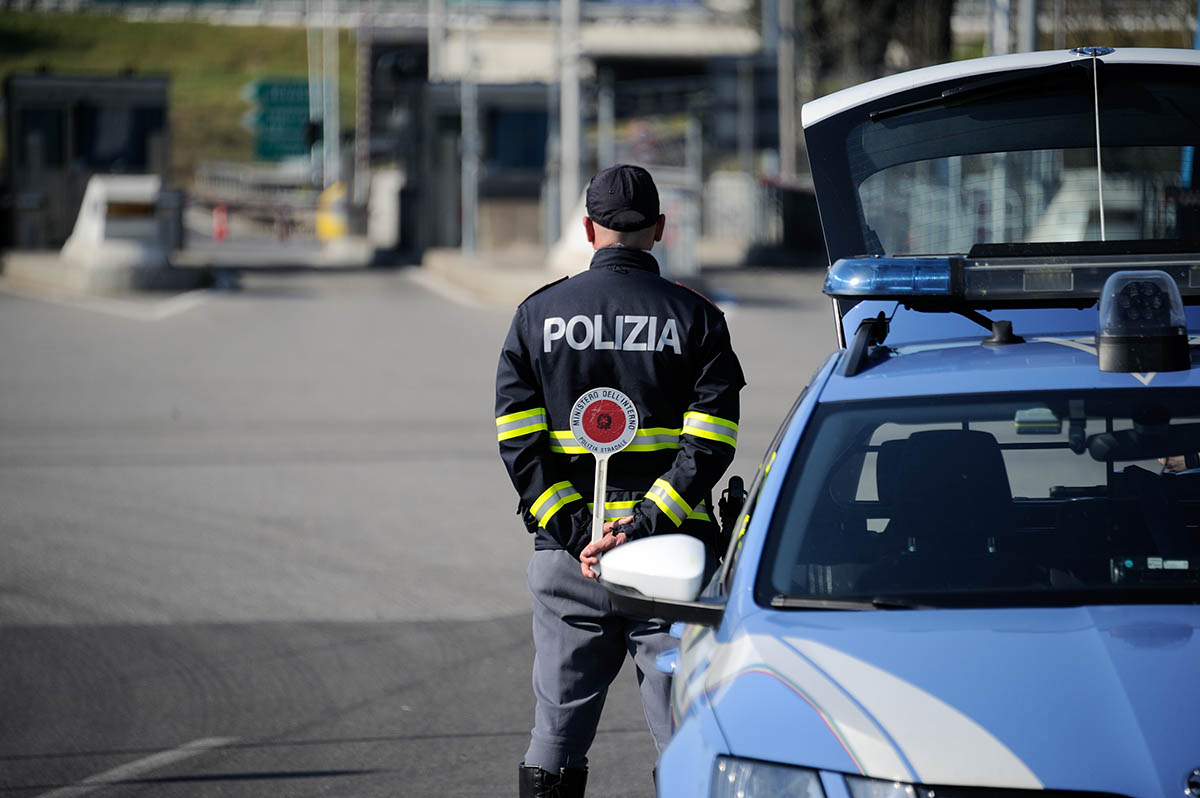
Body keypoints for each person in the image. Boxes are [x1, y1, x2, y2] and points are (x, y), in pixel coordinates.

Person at [495, 164, 745, 798]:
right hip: (674, 566)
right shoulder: (698, 319)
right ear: (660, 229)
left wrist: (581, 532)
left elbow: (519, 443)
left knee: (554, 740)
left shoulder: (537, 315)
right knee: (687, 738)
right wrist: (641, 525)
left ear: (587, 229)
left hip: (569, 565)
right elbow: (709, 445)